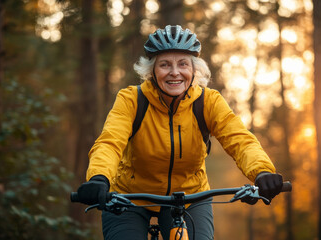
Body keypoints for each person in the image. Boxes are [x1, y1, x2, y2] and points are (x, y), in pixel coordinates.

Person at [76, 25, 283, 240]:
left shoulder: (208, 101)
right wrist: (99, 178)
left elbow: (240, 140)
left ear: (194, 69)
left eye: (183, 64)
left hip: (190, 196)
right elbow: (110, 142)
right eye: (165, 64)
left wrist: (262, 172)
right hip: (129, 197)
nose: (175, 72)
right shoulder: (131, 100)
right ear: (152, 71)